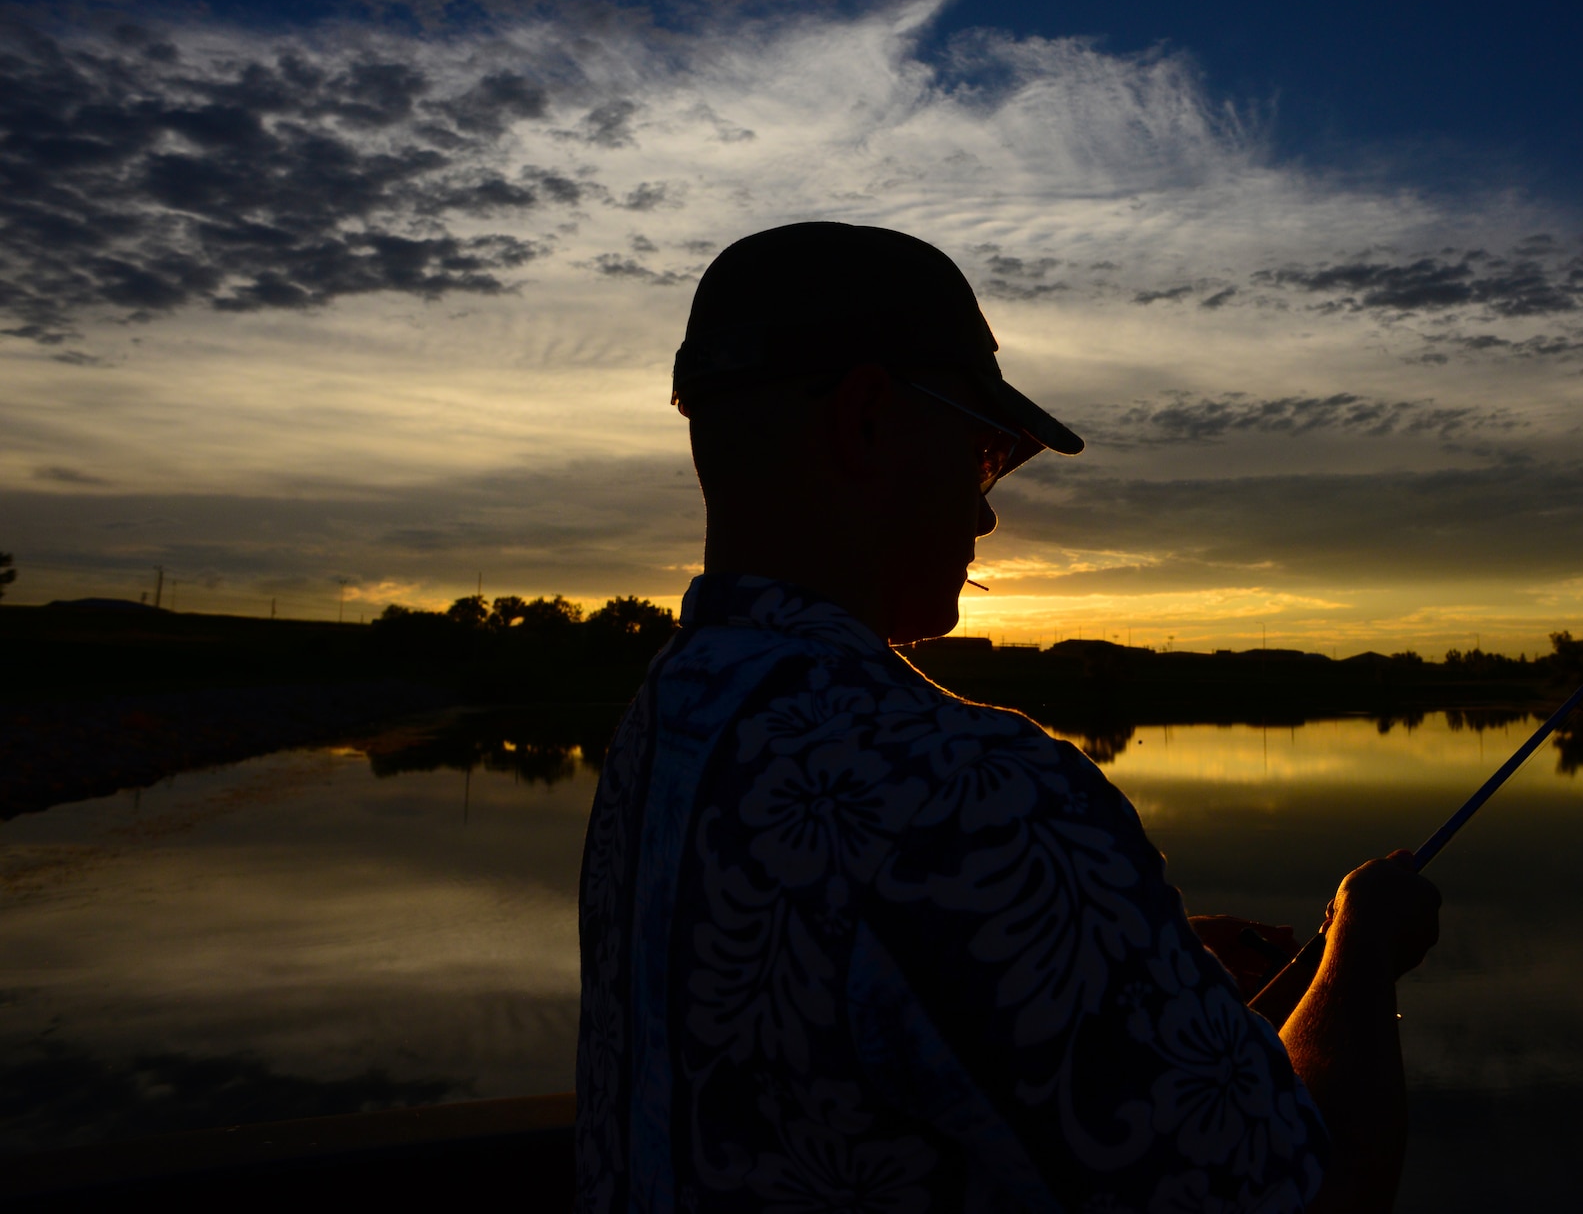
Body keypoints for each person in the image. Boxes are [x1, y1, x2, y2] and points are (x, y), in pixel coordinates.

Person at [575, 222, 1441, 1214]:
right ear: (865, 420)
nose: (987, 514)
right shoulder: (968, 792)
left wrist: (1121, 968)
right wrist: (1359, 957)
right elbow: (1313, 1195)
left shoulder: (667, 719)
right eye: (986, 451)